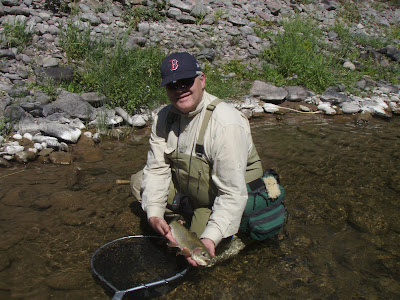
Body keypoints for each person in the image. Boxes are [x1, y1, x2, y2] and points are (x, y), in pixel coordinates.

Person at [132, 52, 263, 266]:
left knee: (195, 255)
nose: (180, 90)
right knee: (139, 183)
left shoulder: (226, 125)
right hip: (191, 186)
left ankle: (237, 240)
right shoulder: (163, 118)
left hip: (221, 196)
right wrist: (154, 214)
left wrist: (210, 237)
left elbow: (231, 193)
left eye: (185, 82)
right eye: (172, 85)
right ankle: (178, 220)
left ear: (201, 80)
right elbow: (156, 169)